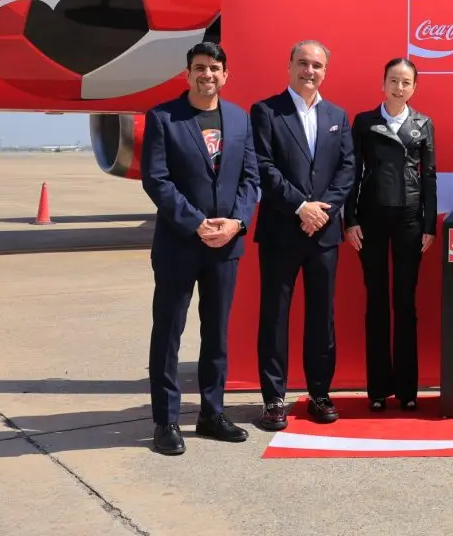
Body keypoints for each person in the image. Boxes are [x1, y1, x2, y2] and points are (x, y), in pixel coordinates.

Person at [140, 41, 260, 456]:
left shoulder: (240, 119)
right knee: (168, 332)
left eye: (214, 68)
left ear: (225, 75)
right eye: (199, 68)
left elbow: (251, 179)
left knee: (217, 333)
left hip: (225, 245)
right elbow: (157, 180)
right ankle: (166, 420)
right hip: (179, 244)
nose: (207, 74)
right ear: (187, 74)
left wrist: (237, 222)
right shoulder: (163, 118)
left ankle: (212, 413)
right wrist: (195, 223)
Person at [250, 39, 355, 428]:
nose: (309, 71)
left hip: (323, 234)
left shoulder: (337, 115)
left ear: (325, 71)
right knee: (275, 316)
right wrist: (300, 206)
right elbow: (263, 166)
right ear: (289, 65)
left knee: (321, 317)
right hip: (281, 231)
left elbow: (347, 169)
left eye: (317, 65)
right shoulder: (266, 111)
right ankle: (274, 398)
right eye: (303, 63)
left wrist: (321, 211)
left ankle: (319, 393)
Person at [344, 57, 437, 412]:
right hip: (371, 221)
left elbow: (428, 176)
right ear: (383, 84)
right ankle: (378, 390)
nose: (399, 88)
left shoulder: (423, 124)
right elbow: (352, 174)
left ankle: (408, 390)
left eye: (406, 82)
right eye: (393, 81)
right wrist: (350, 220)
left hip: (410, 222)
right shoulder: (365, 122)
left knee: (405, 302)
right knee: (377, 302)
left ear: (415, 87)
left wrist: (429, 225)